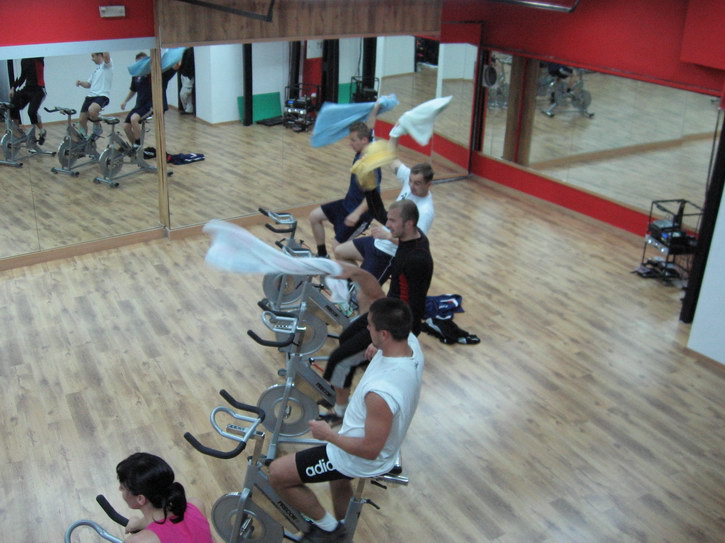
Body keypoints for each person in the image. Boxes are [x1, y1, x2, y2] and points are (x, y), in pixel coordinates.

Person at [269, 297, 424, 543]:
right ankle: (344, 533)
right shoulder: (410, 345)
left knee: (278, 473)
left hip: (358, 457)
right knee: (338, 481)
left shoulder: (381, 392)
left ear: (384, 334)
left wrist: (328, 435)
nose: (366, 329)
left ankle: (329, 530)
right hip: (361, 441)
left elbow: (370, 450)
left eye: (370, 326)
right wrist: (377, 347)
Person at [321, 198, 433, 424]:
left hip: (397, 325)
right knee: (345, 338)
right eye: (388, 220)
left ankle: (341, 411)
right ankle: (363, 383)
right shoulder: (411, 236)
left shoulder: (417, 259)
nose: (387, 225)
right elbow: (378, 210)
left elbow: (414, 307)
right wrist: (369, 185)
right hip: (388, 311)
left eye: (392, 221)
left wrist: (381, 339)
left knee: (339, 360)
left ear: (409, 223)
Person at [334, 130, 435, 286]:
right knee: (340, 252)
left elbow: (414, 245)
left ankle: (361, 290)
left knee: (366, 292)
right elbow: (392, 158)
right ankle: (356, 287)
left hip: (388, 253)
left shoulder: (425, 211)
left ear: (429, 184)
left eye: (417, 183)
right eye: (410, 181)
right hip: (377, 241)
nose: (411, 185)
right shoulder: (409, 179)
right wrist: (395, 132)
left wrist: (387, 236)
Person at [308, 121, 382, 258]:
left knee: (338, 249)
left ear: (364, 140)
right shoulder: (364, 148)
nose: (350, 143)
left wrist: (356, 214)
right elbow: (370, 123)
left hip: (360, 214)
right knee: (315, 216)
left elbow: (373, 197)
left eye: (353, 140)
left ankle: (358, 272)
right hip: (346, 204)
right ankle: (322, 256)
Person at [116, 452, 214, 543]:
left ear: (140, 499)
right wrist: (139, 523)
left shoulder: (138, 541)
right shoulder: (196, 505)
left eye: (123, 488)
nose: (119, 489)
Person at [8, 57, 47, 144]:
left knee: (31, 112)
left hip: (39, 90)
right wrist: (13, 87)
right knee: (13, 105)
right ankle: (18, 132)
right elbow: (22, 76)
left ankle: (42, 131)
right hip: (28, 89)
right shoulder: (24, 60)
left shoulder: (39, 58)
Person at [76, 52, 112, 138]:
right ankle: (84, 139)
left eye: (93, 56)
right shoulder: (95, 71)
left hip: (102, 96)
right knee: (81, 120)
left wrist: (100, 44)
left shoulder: (107, 65)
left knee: (92, 110)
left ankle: (97, 127)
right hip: (90, 97)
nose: (92, 59)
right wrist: (80, 83)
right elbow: (88, 84)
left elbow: (106, 55)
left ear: (100, 55)